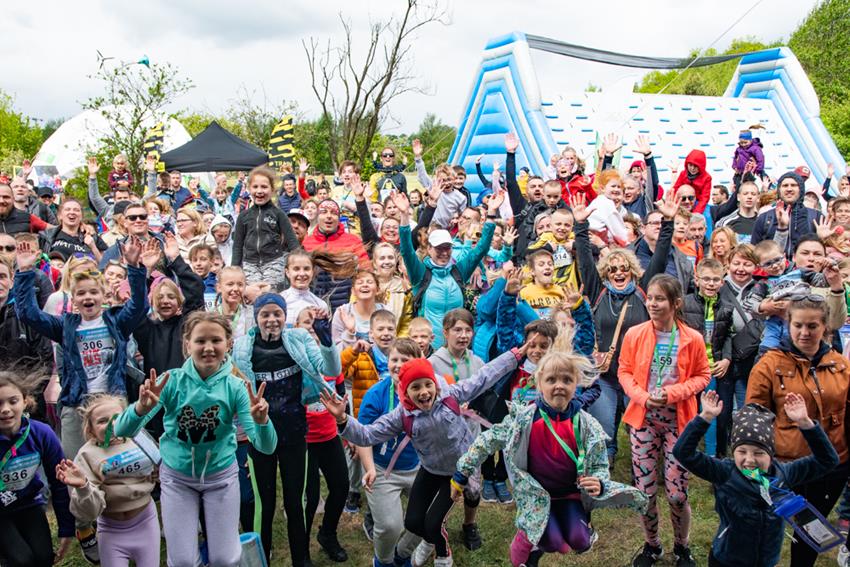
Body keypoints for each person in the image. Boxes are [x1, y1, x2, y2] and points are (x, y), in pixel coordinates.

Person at [321, 346, 528, 567]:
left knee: (432, 524)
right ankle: (415, 548)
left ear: (435, 384)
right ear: (405, 391)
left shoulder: (451, 395)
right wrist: (342, 419)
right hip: (430, 470)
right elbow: (367, 434)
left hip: (458, 472)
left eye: (428, 384)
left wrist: (515, 355)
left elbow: (484, 376)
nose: (424, 392)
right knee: (412, 522)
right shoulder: (402, 415)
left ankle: (442, 550)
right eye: (415, 387)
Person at [114, 311, 278, 567]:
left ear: (228, 344)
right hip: (177, 478)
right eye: (201, 341)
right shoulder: (170, 381)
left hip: (220, 478)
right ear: (187, 344)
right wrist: (141, 409)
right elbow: (122, 430)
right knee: (182, 561)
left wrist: (262, 422)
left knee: (225, 559)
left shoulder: (236, 387)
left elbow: (266, 446)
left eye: (216, 340)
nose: (208, 347)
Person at [453, 351, 647, 567]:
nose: (559, 386)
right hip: (537, 495)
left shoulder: (587, 424)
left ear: (576, 384)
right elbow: (487, 440)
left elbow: (599, 462)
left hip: (570, 495)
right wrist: (462, 473)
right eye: (551, 380)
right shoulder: (525, 419)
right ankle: (526, 542)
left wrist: (599, 482)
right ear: (539, 382)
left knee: (580, 541)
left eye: (567, 380)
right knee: (552, 542)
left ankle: (559, 533)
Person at [231, 294, 341, 565]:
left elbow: (330, 368)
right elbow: (235, 390)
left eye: (277, 314)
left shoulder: (299, 339)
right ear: (256, 318)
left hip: (294, 432)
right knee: (263, 504)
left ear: (284, 316)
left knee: (296, 502)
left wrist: (326, 342)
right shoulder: (242, 348)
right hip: (260, 435)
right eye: (265, 314)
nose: (272, 320)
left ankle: (301, 559)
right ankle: (261, 559)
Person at [571, 190, 680, 461]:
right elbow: (585, 260)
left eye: (623, 268)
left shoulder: (644, 291)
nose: (618, 273)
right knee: (604, 432)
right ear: (606, 273)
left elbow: (660, 256)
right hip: (605, 375)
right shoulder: (598, 291)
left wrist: (668, 222)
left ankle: (642, 471)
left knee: (641, 431)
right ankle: (603, 472)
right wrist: (580, 225)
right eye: (613, 269)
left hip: (640, 375)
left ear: (632, 270)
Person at [673, 390, 838, 567]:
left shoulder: (784, 473)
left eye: (759, 453)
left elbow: (828, 460)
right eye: (742, 451)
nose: (749, 460)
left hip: (766, 561)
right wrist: (705, 417)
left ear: (771, 454)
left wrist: (805, 423)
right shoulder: (724, 472)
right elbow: (682, 452)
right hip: (727, 560)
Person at [746, 297, 850, 567]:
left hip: (832, 464)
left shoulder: (841, 365)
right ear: (788, 324)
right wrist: (753, 463)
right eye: (798, 325)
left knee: (809, 532)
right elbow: (753, 418)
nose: (805, 332)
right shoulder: (769, 365)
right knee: (765, 528)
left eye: (812, 326)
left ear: (825, 326)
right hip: (785, 465)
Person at [618, 274, 711, 567]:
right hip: (644, 419)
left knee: (677, 495)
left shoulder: (692, 338)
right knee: (644, 493)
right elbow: (624, 371)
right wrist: (643, 397)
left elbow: (703, 375)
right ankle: (652, 545)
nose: (652, 304)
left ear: (676, 303)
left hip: (678, 423)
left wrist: (673, 393)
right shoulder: (634, 334)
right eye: (650, 298)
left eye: (660, 299)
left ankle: (682, 547)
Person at [56, 395, 160, 567]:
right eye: (102, 421)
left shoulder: (139, 439)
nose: (112, 424)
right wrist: (83, 487)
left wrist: (158, 471)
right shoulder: (87, 455)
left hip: (146, 522)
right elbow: (88, 513)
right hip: (112, 530)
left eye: (118, 418)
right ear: (90, 430)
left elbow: (161, 469)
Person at [399, 190, 502, 348]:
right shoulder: (420, 273)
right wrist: (404, 215)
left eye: (447, 247)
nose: (444, 252)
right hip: (428, 348)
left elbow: (481, 249)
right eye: (439, 248)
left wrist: (492, 213)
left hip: (458, 348)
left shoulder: (458, 271)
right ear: (429, 249)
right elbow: (406, 250)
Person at [356, 338, 423, 567]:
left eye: (406, 360)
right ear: (387, 361)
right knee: (391, 526)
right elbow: (362, 436)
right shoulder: (376, 394)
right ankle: (383, 561)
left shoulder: (427, 391)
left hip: (418, 467)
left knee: (431, 516)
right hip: (383, 469)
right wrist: (370, 468)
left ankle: (403, 554)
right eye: (395, 359)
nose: (399, 365)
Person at [0, 371, 73, 567]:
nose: (5, 409)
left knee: (44, 558)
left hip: (28, 503)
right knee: (21, 560)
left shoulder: (42, 433)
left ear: (25, 401)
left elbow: (59, 481)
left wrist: (66, 529)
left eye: (13, 401)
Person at [231, 166, 301, 288]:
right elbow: (237, 245)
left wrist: (300, 262)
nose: (259, 191)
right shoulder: (243, 216)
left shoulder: (279, 214)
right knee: (253, 295)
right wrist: (234, 269)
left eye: (264, 187)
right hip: (250, 264)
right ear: (249, 189)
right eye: (255, 187)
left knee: (269, 294)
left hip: (274, 262)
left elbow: (292, 241)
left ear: (272, 190)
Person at [751, 172, 822, 256]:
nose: (789, 189)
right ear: (779, 189)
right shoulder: (764, 217)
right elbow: (754, 250)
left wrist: (822, 239)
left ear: (801, 189)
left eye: (793, 185)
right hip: (774, 263)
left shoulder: (816, 216)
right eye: (785, 185)